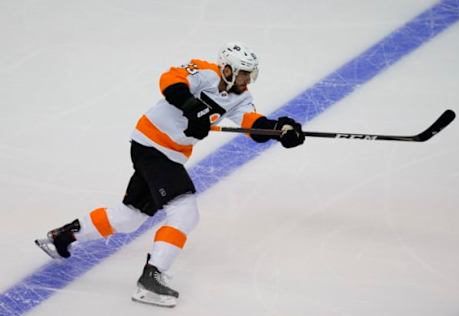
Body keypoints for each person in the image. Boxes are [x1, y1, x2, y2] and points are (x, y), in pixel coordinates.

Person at [35, 41, 305, 307]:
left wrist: (279, 130)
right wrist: (193, 107)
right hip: (151, 145)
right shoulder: (204, 71)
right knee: (185, 211)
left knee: (130, 216)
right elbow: (170, 81)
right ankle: (150, 278)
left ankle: (62, 236)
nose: (248, 80)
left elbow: (252, 124)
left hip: (167, 154)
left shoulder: (241, 97)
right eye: (244, 73)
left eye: (250, 74)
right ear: (227, 70)